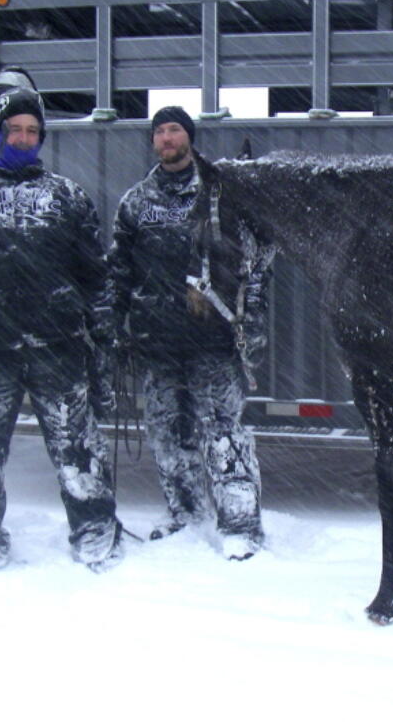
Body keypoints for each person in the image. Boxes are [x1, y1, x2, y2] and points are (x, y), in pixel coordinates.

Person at [0, 66, 123, 574]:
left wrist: (103, 335)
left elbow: (94, 276)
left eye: (33, 131)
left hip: (58, 350)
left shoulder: (67, 197)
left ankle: (96, 530)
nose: (25, 138)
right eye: (15, 129)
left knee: (78, 449)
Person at [106, 106, 272, 560]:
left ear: (189, 137)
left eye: (174, 129)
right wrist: (114, 325)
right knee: (166, 433)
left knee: (222, 432)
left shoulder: (221, 193)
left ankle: (240, 526)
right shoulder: (136, 201)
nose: (166, 137)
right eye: (159, 131)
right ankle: (185, 515)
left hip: (214, 341)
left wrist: (252, 316)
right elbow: (118, 271)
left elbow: (257, 260)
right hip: (157, 344)